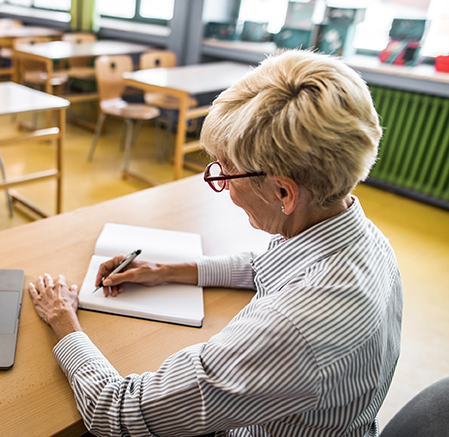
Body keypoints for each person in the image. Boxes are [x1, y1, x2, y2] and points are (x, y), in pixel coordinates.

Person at [28, 50, 402, 437]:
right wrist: (166, 270)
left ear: (283, 193)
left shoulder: (294, 329)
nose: (221, 185)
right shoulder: (362, 239)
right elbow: (268, 266)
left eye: (226, 171)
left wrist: (63, 319)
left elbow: (117, 411)